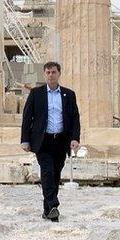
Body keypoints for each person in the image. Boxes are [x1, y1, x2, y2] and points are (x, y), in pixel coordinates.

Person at [19, 61, 81, 222]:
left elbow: (75, 117)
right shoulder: (36, 93)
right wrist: (25, 140)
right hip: (43, 140)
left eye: (54, 72)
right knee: (47, 171)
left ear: (59, 73)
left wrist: (75, 138)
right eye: (48, 72)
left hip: (61, 140)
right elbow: (27, 117)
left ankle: (47, 210)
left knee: (56, 174)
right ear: (44, 74)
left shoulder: (69, 94)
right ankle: (54, 205)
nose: (51, 75)